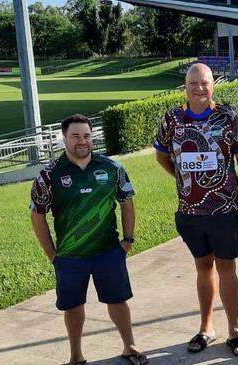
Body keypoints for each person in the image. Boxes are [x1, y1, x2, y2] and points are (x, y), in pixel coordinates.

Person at [154, 63, 238, 357]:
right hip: (189, 212)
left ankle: (234, 329)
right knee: (203, 267)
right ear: (185, 86)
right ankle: (206, 328)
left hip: (224, 211)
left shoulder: (227, 117)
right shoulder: (172, 119)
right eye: (193, 83)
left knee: (226, 268)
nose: (199, 88)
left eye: (205, 83)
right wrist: (184, 180)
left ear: (214, 85)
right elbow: (162, 157)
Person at [30, 114, 147, 365]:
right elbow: (37, 216)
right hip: (70, 257)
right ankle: (76, 356)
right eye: (75, 136)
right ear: (64, 139)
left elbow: (127, 203)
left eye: (86, 135)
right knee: (73, 306)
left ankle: (130, 346)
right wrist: (53, 254)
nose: (82, 141)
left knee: (118, 300)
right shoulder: (49, 176)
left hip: (108, 252)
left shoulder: (112, 168)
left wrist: (127, 240)